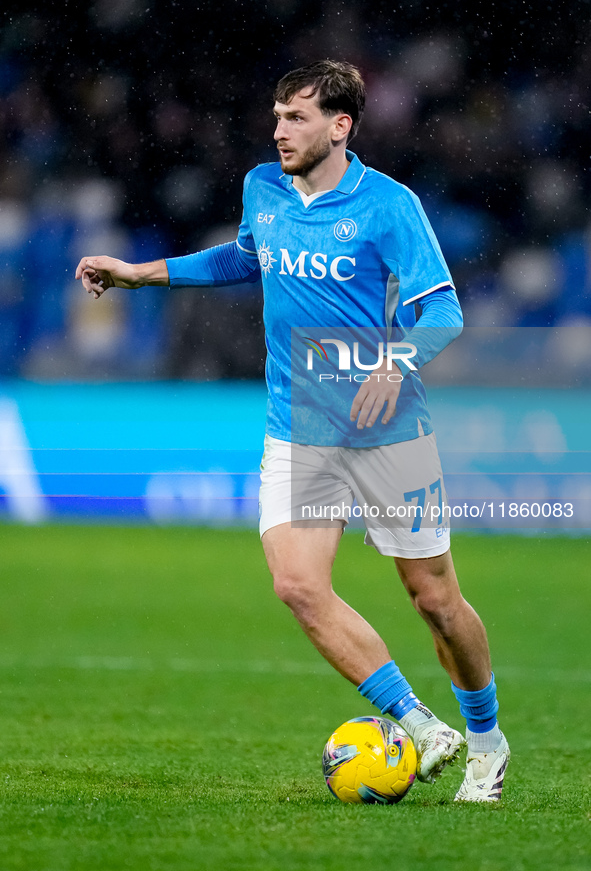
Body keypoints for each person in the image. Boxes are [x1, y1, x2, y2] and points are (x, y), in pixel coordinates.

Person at [75, 59, 510, 802]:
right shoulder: (262, 189)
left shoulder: (389, 206)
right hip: (296, 427)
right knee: (297, 585)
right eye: (276, 116)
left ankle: (485, 738)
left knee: (433, 599)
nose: (279, 131)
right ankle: (419, 724)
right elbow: (245, 258)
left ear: (340, 127)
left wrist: (391, 363)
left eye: (296, 118)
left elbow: (442, 313)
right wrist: (137, 273)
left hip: (386, 429)